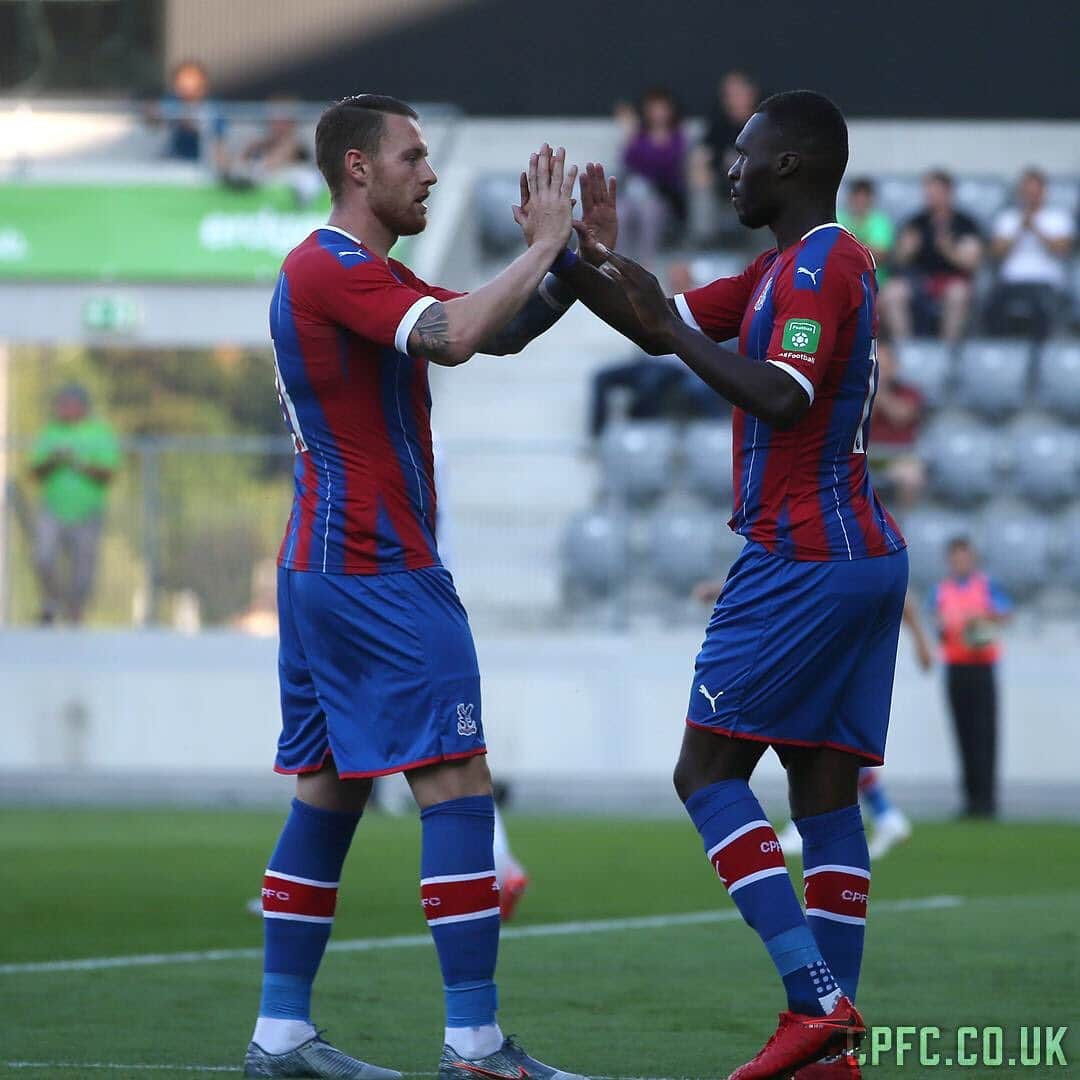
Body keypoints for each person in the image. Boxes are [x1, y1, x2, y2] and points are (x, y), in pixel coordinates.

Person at [249, 93, 610, 1080]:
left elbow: (495, 331)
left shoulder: (362, 272)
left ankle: (280, 1036)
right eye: (412, 156)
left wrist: (571, 261)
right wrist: (540, 246)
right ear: (358, 168)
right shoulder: (327, 265)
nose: (430, 172)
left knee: (326, 794)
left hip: (324, 564)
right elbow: (452, 337)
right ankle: (476, 1047)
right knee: (455, 786)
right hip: (376, 568)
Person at [560, 91, 907, 1079]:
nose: (729, 169)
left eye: (747, 157)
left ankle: (815, 1004)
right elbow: (655, 320)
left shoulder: (821, 264)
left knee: (706, 774)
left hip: (803, 560)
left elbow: (784, 397)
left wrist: (675, 339)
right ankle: (831, 1055)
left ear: (793, 165)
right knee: (823, 791)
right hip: (854, 556)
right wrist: (578, 254)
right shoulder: (777, 271)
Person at [927, 536, 1012, 819]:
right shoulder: (941, 591)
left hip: (982, 668)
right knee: (963, 734)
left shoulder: (986, 586)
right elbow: (936, 623)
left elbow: (1005, 614)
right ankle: (970, 798)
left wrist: (982, 620)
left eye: (964, 557)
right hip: (956, 669)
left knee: (985, 734)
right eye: (955, 557)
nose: (960, 562)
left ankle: (987, 799)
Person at [29, 384, 120, 625]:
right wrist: (55, 459)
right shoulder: (50, 432)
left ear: (81, 406)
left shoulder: (98, 433)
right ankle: (52, 601)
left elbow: (108, 473)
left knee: (83, 567)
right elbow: (35, 470)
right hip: (53, 507)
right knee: (43, 557)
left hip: (87, 511)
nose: (62, 409)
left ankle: (76, 608)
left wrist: (78, 462)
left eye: (67, 404)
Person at [878, 170, 983, 342]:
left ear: (949, 192)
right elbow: (898, 260)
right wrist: (907, 250)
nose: (930, 196)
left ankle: (946, 351)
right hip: (918, 280)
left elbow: (972, 262)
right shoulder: (915, 222)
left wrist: (948, 250)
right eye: (928, 192)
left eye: (936, 192)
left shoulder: (965, 224)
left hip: (952, 280)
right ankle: (906, 349)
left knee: (958, 294)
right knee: (891, 292)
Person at [985, 167, 1075, 340]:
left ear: (1044, 192)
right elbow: (996, 253)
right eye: (1027, 191)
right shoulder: (1007, 218)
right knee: (991, 307)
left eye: (1035, 191)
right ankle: (1003, 352)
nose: (1031, 196)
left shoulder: (1058, 217)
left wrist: (1036, 228)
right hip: (1011, 281)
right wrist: (1019, 229)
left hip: (1044, 281)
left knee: (1041, 309)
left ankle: (1038, 356)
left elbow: (1062, 250)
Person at [615, 88, 688, 262]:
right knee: (620, 211)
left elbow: (670, 168)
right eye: (653, 109)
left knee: (649, 211)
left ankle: (646, 263)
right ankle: (620, 262)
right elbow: (628, 162)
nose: (658, 114)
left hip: (664, 196)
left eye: (662, 109)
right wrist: (629, 134)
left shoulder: (677, 137)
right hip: (635, 193)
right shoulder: (638, 136)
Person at [866, 340, 925, 508]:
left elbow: (901, 416)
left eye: (884, 367)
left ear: (894, 367)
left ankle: (905, 525)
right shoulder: (857, 392)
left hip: (898, 456)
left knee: (912, 476)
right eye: (877, 367)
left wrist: (878, 390)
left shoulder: (910, 392)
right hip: (864, 456)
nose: (880, 372)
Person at [144, 59, 227, 169]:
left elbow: (218, 140)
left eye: (191, 79)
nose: (186, 84)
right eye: (181, 81)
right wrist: (153, 113)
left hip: (202, 165)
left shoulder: (212, 108)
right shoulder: (171, 101)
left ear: (203, 84)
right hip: (172, 164)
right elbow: (154, 122)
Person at [837, 178, 894, 285]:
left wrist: (846, 248)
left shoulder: (879, 221)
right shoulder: (838, 218)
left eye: (864, 197)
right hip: (841, 279)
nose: (860, 201)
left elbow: (880, 255)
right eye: (857, 197)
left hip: (874, 281)